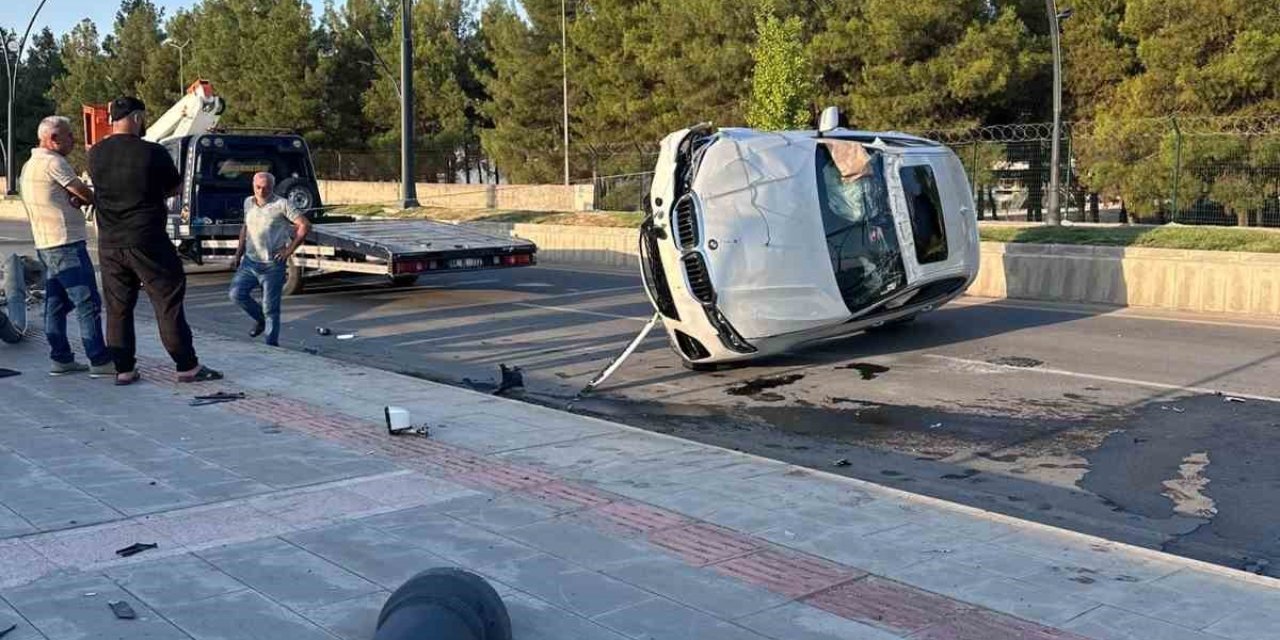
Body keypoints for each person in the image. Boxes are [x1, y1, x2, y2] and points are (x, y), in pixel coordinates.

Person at [87, 96, 221, 385]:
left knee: (117, 309)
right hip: (147, 238)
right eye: (143, 118)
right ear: (136, 117)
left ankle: (124, 369)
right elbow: (173, 187)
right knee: (167, 300)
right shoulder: (153, 152)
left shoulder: (95, 153)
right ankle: (186, 366)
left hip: (110, 243)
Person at [17, 115, 113, 376]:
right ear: (53, 139)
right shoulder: (54, 162)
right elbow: (83, 191)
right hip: (66, 243)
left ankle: (61, 358)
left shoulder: (29, 165)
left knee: (56, 304)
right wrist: (88, 198)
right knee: (87, 302)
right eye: (69, 135)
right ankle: (100, 360)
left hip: (46, 243)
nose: (74, 140)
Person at [230, 172, 311, 346]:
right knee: (236, 294)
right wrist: (238, 253)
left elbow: (304, 225)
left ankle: (271, 345)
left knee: (270, 308)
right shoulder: (248, 202)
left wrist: (289, 250)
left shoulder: (282, 204)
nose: (262, 190)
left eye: (266, 187)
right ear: (253, 185)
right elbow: (245, 228)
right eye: (258, 187)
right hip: (250, 262)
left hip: (272, 264)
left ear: (272, 187)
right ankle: (261, 320)